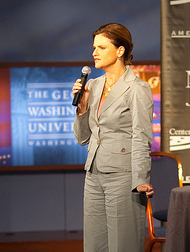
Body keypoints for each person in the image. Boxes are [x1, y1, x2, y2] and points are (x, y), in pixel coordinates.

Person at [72, 23, 154, 252]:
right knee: (95, 245)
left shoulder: (137, 88)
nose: (94, 53)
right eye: (94, 47)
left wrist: (140, 178)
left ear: (120, 51)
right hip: (93, 174)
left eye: (101, 47)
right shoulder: (94, 85)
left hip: (123, 177)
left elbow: (141, 136)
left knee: (123, 244)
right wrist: (82, 109)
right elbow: (83, 139)